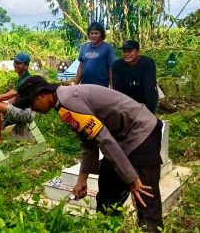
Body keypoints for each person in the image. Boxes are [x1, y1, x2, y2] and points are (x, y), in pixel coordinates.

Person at [14, 76, 163, 232]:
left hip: (142, 130)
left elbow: (104, 140)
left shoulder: (67, 101)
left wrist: (132, 179)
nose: (33, 109)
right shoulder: (62, 103)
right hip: (121, 137)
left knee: (145, 196)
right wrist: (82, 179)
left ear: (41, 95)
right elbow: (88, 141)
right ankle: (107, 227)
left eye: (32, 104)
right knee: (108, 189)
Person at [0, 52, 35, 143]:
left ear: (26, 66)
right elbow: (15, 97)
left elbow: (7, 96)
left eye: (19, 63)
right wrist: (6, 108)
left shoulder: (26, 80)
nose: (15, 65)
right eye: (15, 62)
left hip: (27, 113)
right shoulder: (22, 77)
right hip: (22, 110)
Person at [112, 40, 158, 113]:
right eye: (124, 51)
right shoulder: (117, 65)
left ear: (138, 52)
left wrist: (149, 108)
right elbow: (118, 89)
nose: (126, 54)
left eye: (130, 51)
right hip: (127, 102)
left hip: (145, 99)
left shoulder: (148, 63)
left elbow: (149, 86)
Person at [74, 22, 117, 87]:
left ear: (101, 35)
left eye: (96, 33)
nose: (94, 36)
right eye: (91, 33)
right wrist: (75, 85)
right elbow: (80, 67)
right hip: (85, 85)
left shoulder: (108, 48)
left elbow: (111, 68)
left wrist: (112, 85)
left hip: (101, 86)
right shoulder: (84, 47)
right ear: (89, 35)